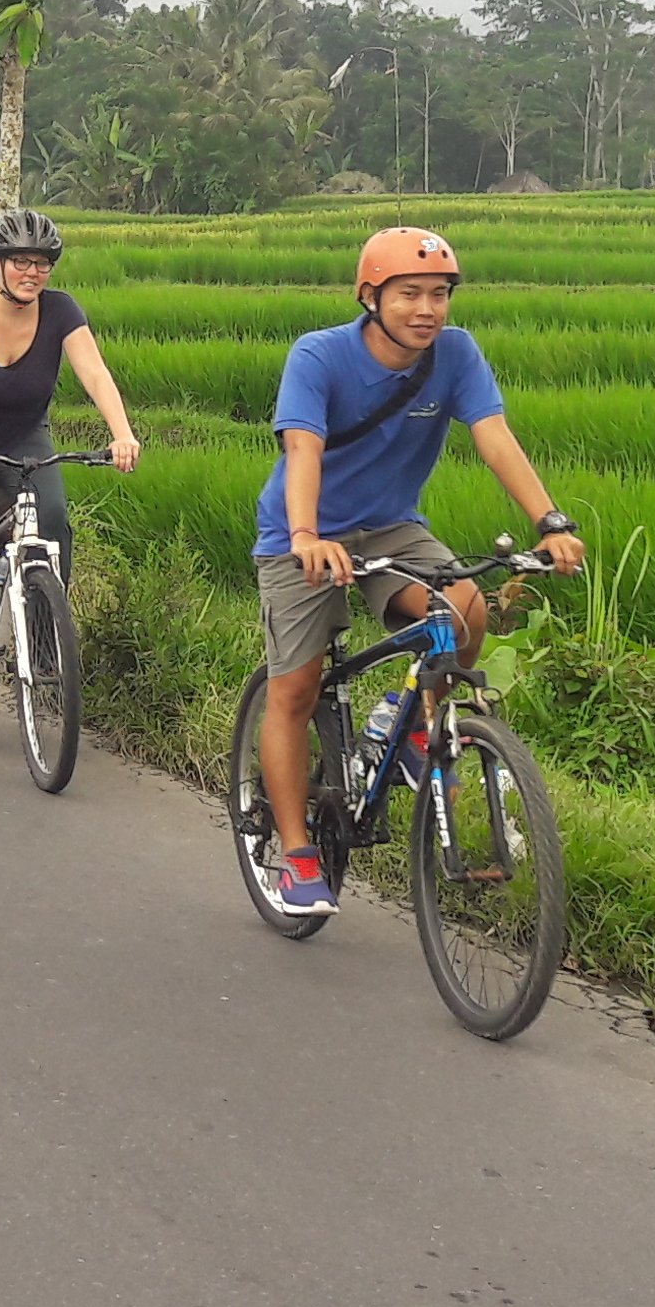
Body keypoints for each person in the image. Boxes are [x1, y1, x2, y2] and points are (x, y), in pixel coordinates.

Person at [249, 227, 581, 918]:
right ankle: (298, 854)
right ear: (370, 297)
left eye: (438, 294)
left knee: (465, 607)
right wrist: (307, 535)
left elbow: (494, 437)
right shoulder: (319, 356)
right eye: (408, 294)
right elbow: (303, 449)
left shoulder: (454, 355)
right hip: (301, 532)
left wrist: (550, 522)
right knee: (297, 689)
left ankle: (404, 723)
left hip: (393, 525)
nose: (426, 309)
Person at [0, 210, 139, 683]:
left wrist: (122, 433)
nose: (32, 273)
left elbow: (94, 373)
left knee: (52, 519)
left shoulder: (62, 310)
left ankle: (42, 633)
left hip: (23, 434)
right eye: (20, 262)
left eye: (41, 263)